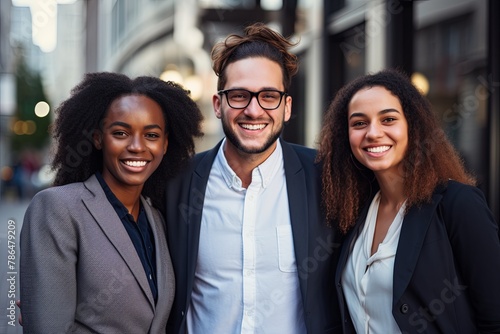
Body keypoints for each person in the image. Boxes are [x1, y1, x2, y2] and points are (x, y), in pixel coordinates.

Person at [164, 23, 342, 333]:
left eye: (269, 96)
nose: (253, 110)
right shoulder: (177, 182)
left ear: (286, 107)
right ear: (218, 105)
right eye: (239, 96)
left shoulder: (325, 177)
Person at [317, 68, 500, 333]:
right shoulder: (354, 212)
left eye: (388, 119)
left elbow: (494, 318)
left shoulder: (457, 204)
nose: (373, 133)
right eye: (359, 123)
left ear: (413, 126)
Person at [20, 72, 203, 333]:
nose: (137, 146)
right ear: (98, 138)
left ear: (165, 144)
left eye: (151, 135)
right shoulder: (57, 209)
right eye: (121, 132)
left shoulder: (157, 220)